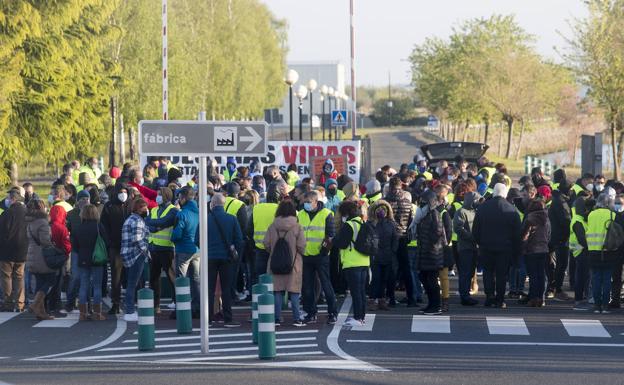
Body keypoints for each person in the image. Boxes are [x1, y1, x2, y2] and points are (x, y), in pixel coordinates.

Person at [473, 183, 522, 308]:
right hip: (505, 248)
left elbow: (475, 231)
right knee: (501, 274)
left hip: (486, 246)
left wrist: (480, 242)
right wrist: (516, 251)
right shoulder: (512, 210)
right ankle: (500, 299)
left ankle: (489, 296)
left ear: (494, 192)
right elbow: (517, 234)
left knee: (488, 272)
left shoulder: (483, 208)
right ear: (505, 194)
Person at [264, 200, 307, 327]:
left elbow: (266, 243)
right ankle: (296, 319)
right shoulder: (297, 226)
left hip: (275, 263)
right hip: (294, 264)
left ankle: (277, 318)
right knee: (294, 292)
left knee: (277, 291)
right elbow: (301, 246)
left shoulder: (273, 226)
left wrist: (272, 251)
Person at [298, 191, 338, 325]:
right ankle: (310, 312)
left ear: (316, 202)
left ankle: (332, 313)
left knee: (326, 285)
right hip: (306, 255)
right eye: (305, 202)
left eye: (309, 202)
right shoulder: (301, 214)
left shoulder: (326, 214)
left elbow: (331, 235)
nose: (306, 205)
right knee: (307, 287)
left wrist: (324, 251)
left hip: (321, 256)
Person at [207, 193, 243, 327]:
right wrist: (234, 250)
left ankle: (208, 318)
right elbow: (239, 240)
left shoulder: (206, 219)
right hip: (226, 258)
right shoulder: (232, 219)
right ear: (223, 204)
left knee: (209, 289)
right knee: (226, 289)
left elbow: (197, 239)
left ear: (213, 204)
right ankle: (228, 318)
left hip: (210, 257)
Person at [334, 200, 370, 326]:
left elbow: (342, 244)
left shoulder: (349, 225)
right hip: (364, 261)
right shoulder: (362, 222)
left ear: (346, 213)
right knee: (361, 291)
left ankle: (357, 318)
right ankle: (362, 317)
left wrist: (334, 240)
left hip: (352, 262)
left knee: (355, 292)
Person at [145, 187, 179, 313]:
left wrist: (154, 224)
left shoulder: (173, 210)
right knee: (154, 278)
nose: (157, 197)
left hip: (167, 248)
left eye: (159, 194)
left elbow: (164, 221)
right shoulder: (154, 209)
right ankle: (156, 305)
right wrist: (155, 225)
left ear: (166, 196)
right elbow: (148, 222)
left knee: (172, 277)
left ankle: (176, 302)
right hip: (153, 247)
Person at [412, 190, 446, 315]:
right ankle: (431, 304)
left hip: (433, 254)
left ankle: (436, 306)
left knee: (431, 280)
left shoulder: (434, 214)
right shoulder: (424, 215)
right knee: (423, 277)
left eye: (424, 202)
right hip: (425, 253)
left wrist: (428, 241)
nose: (421, 205)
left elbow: (437, 233)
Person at [71, 205, 106, 321]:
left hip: (83, 259)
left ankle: (83, 313)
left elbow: (75, 247)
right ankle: (97, 313)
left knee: (83, 285)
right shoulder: (98, 226)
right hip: (97, 259)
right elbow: (106, 241)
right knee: (97, 286)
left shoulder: (78, 228)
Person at [384, 176, 415, 307]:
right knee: (406, 268)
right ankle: (411, 298)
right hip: (402, 238)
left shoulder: (385, 202)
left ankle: (390, 298)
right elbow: (411, 222)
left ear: (390, 187)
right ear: (401, 186)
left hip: (389, 239)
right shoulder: (407, 202)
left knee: (391, 269)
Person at [100, 182, 130, 315]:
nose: (123, 194)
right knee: (116, 276)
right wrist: (109, 242)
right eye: (120, 192)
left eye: (125, 192)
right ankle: (116, 303)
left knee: (133, 276)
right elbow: (103, 226)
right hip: (115, 247)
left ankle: (132, 303)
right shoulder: (109, 206)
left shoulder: (131, 205)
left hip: (130, 246)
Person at [25, 199, 57, 320]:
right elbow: (45, 241)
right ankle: (35, 304)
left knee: (40, 281)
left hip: (32, 254)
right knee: (50, 279)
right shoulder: (42, 222)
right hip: (42, 256)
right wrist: (52, 244)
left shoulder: (30, 221)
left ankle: (41, 312)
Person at [171, 186, 200, 318]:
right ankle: (197, 307)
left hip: (183, 249)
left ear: (183, 198)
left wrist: (173, 239)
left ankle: (181, 309)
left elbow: (177, 234)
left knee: (181, 280)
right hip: (197, 250)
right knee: (196, 280)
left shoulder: (181, 214)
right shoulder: (200, 212)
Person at [120, 198, 150, 322]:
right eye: (145, 207)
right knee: (132, 284)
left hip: (129, 254)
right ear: (139, 208)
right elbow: (137, 238)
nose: (147, 210)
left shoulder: (130, 219)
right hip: (136, 255)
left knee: (131, 283)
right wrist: (146, 251)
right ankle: (130, 311)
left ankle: (130, 309)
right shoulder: (137, 220)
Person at [586, 193, 617, 313]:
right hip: (608, 250)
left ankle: (597, 305)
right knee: (607, 278)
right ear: (609, 203)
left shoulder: (591, 215)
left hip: (593, 250)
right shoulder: (612, 215)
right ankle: (605, 305)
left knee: (596, 278)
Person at [63, 189, 91, 314]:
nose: (85, 201)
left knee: (87, 278)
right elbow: (66, 230)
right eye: (83, 199)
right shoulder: (71, 214)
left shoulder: (93, 212)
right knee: (75, 277)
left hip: (89, 249)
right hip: (75, 250)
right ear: (78, 201)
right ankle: (70, 302)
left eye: (87, 199)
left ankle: (87, 304)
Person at [0, 188, 28, 312]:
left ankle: (8, 302)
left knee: (7, 276)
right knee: (20, 276)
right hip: (23, 249)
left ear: (13, 199)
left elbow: (2, 232)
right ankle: (20, 303)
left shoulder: (6, 213)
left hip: (7, 250)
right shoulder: (27, 212)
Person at [369, 200, 399, 311]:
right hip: (375, 256)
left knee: (384, 280)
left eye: (384, 210)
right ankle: (372, 300)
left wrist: (392, 251)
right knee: (375, 279)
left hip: (388, 255)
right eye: (379, 210)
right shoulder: (371, 224)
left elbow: (395, 239)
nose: (381, 212)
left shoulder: (390, 224)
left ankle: (382, 300)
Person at [453, 191, 482, 306]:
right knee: (465, 272)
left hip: (475, 247)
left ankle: (466, 294)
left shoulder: (476, 212)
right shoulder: (461, 212)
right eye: (477, 200)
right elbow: (458, 228)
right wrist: (472, 237)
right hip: (465, 247)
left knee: (470, 272)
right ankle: (464, 296)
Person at [522, 199, 551, 307]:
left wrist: (523, 246)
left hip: (531, 249)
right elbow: (549, 235)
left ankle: (534, 298)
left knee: (533, 275)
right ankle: (541, 298)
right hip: (543, 249)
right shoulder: (547, 219)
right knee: (542, 274)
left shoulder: (530, 218)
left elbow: (524, 235)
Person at [547, 181, 572, 300]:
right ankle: (557, 289)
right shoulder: (561, 202)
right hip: (561, 237)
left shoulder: (556, 199)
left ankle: (552, 288)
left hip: (554, 235)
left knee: (554, 264)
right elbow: (565, 220)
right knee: (561, 264)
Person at [47, 205, 71, 315]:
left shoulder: (47, 226)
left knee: (47, 283)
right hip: (59, 259)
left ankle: (45, 305)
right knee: (58, 283)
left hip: (47, 258)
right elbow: (67, 247)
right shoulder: (62, 228)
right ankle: (55, 306)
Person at [570, 196, 592, 311]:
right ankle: (578, 300)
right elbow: (581, 239)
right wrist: (590, 248)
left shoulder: (580, 218)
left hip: (579, 249)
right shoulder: (578, 220)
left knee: (584, 276)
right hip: (581, 250)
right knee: (582, 276)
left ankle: (581, 298)